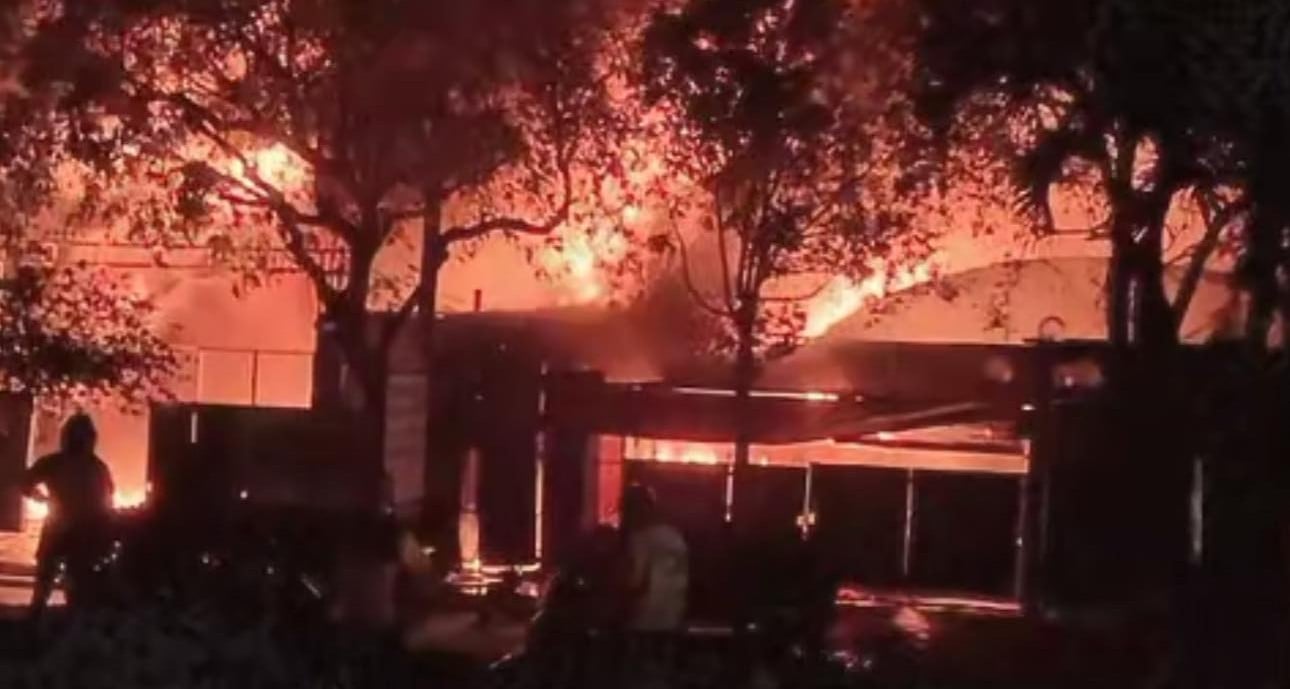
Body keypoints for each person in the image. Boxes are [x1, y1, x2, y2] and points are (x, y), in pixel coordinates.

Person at [23, 413, 115, 619]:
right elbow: (107, 499)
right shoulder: (95, 467)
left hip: (74, 528)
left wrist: (41, 498)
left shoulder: (81, 465)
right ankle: (52, 620)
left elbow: (26, 483)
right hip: (73, 528)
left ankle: (48, 619)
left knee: (61, 578)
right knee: (59, 578)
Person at [620, 484, 688, 632]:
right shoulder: (674, 536)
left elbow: (636, 580)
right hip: (675, 611)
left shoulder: (641, 539)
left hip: (647, 617)